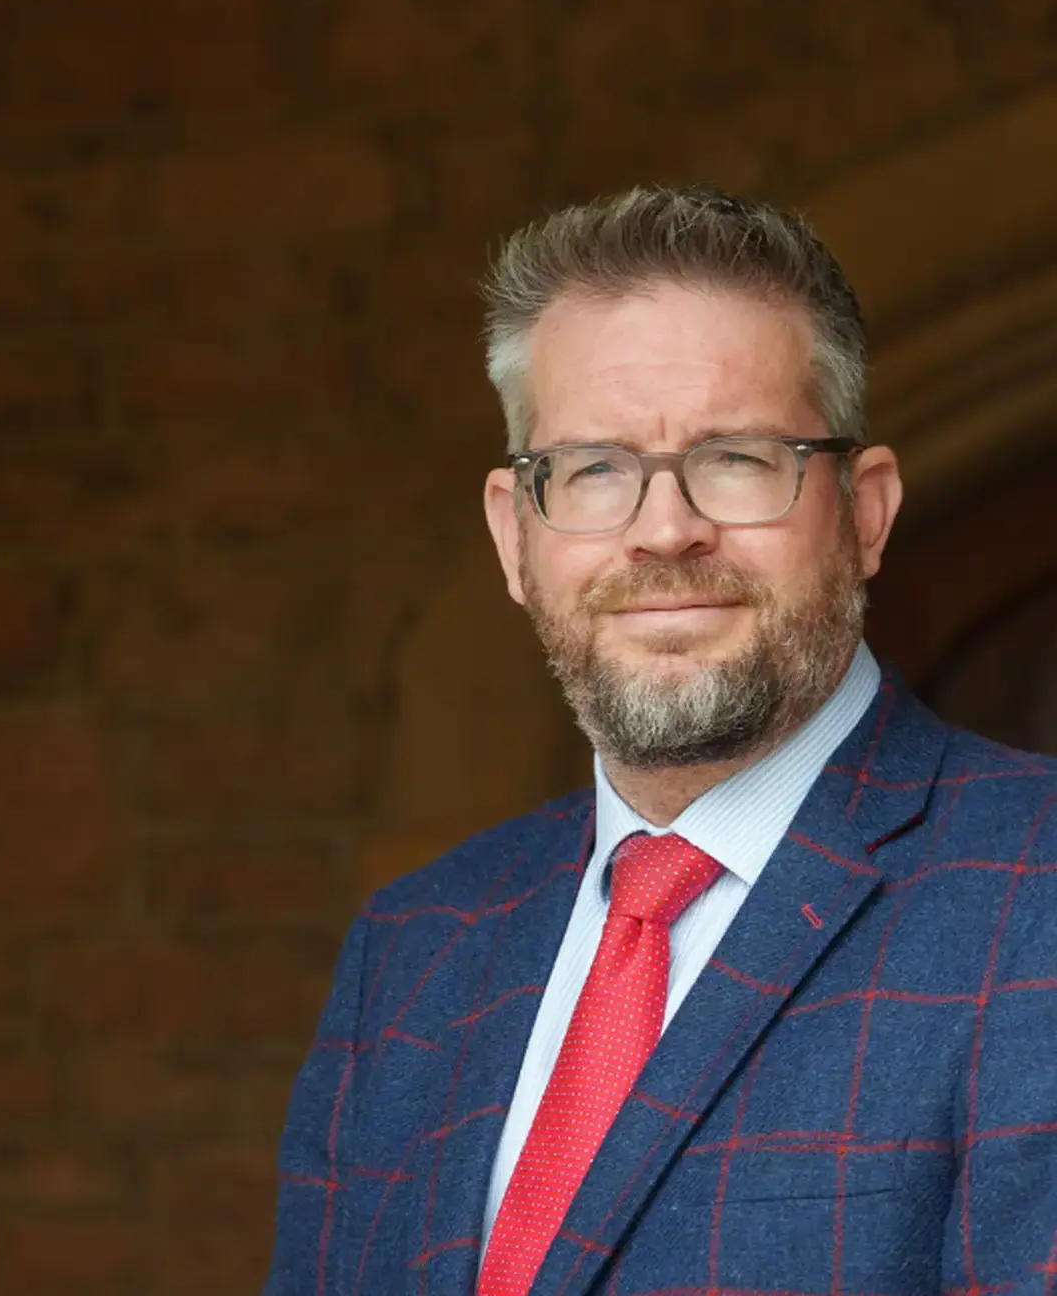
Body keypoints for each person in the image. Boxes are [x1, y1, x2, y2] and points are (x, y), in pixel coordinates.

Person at [262, 186, 1057, 1296]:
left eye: (737, 457)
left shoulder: (1036, 890)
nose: (665, 528)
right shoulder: (414, 955)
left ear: (865, 515)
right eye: (593, 470)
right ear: (514, 535)